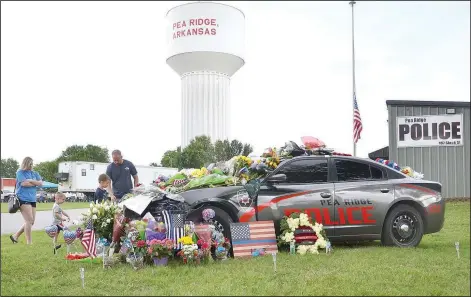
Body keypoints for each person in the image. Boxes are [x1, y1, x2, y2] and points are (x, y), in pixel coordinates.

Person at [10, 157, 43, 245]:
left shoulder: (35, 173)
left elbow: (40, 184)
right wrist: (34, 183)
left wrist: (31, 180)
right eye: (29, 164)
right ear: (25, 163)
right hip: (23, 198)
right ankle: (29, 242)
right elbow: (24, 184)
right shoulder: (20, 172)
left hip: (32, 199)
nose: (31, 166)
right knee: (29, 221)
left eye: (32, 164)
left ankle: (15, 236)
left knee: (31, 221)